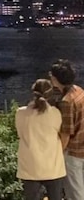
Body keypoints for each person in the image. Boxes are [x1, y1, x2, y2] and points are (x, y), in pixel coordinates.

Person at [15, 78, 65, 200]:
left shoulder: (21, 113)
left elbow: (20, 134)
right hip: (53, 166)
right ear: (50, 94)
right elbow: (61, 134)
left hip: (30, 166)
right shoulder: (55, 114)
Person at [50, 58, 84, 200]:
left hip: (73, 153)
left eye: (51, 75)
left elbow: (66, 134)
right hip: (82, 147)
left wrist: (57, 155)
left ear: (57, 79)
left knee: (75, 193)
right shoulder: (79, 91)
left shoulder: (67, 102)